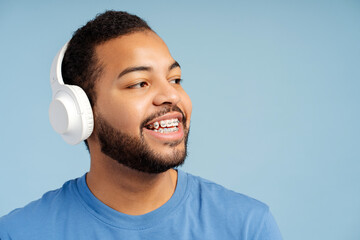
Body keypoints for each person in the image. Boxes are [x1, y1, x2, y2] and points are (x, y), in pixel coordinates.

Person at [0, 11, 282, 239]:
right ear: (79, 112)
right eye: (139, 83)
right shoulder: (18, 233)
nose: (172, 96)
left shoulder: (248, 227)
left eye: (175, 79)